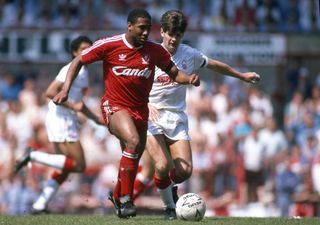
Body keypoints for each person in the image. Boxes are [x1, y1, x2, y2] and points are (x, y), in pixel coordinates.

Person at [52, 9, 200, 219]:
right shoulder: (110, 45)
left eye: (149, 28)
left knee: (132, 157)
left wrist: (190, 79)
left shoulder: (154, 51)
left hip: (140, 110)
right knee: (132, 141)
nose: (146, 32)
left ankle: (118, 198)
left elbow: (174, 73)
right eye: (142, 27)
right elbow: (78, 61)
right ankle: (126, 200)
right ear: (129, 26)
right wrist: (66, 89)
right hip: (114, 106)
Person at [132, 10, 260, 220]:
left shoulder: (189, 54)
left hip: (176, 117)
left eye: (178, 35)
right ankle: (168, 208)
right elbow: (132, 83)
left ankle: (166, 187)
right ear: (162, 31)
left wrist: (241, 76)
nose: (173, 38)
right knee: (161, 165)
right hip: (151, 115)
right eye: (170, 33)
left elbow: (216, 65)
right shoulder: (148, 53)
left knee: (185, 171)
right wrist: (145, 104)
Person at [15, 36, 104, 214]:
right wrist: (72, 107)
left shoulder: (84, 72)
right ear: (74, 53)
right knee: (79, 165)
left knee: (65, 167)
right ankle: (33, 156)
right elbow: (50, 92)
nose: (87, 52)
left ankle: (40, 205)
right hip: (60, 118)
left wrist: (95, 118)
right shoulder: (70, 69)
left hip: (66, 117)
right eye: (83, 49)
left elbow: (79, 103)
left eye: (89, 48)